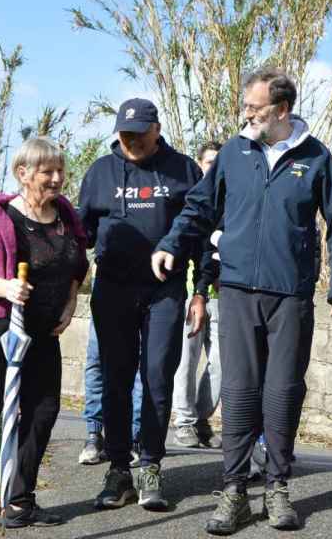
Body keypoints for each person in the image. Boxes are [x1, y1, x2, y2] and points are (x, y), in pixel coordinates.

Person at [152, 68, 332, 535]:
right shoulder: (234, 151)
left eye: (254, 107)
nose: (246, 114)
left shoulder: (316, 157)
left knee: (283, 392)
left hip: (290, 295)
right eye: (245, 106)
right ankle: (234, 492)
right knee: (241, 392)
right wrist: (170, 243)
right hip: (240, 289)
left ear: (281, 110)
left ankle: (278, 488)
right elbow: (199, 208)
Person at [0, 137, 88, 531]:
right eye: (48, 171)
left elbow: (78, 266)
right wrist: (6, 287)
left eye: (61, 170)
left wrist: (70, 302)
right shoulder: (4, 219)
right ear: (23, 174)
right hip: (0, 330)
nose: (58, 178)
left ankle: (19, 501)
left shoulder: (65, 218)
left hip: (44, 332)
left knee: (44, 412)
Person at [78, 98, 208, 512]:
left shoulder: (184, 169)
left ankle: (150, 464)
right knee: (116, 377)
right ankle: (118, 470)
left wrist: (201, 290)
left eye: (138, 133)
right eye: (124, 133)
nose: (130, 140)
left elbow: (203, 233)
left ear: (157, 129)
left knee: (156, 376)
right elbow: (80, 232)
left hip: (164, 292)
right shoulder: (100, 171)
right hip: (112, 290)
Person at [172, 141, 223, 449]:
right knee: (186, 361)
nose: (214, 168)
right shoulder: (191, 201)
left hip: (224, 293)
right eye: (209, 162)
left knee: (221, 362)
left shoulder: (231, 200)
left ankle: (202, 418)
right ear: (199, 164)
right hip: (192, 292)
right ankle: (185, 421)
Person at [78, 317, 144, 466]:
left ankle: (133, 439)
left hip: (142, 297)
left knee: (140, 363)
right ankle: (94, 434)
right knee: (96, 359)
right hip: (106, 295)